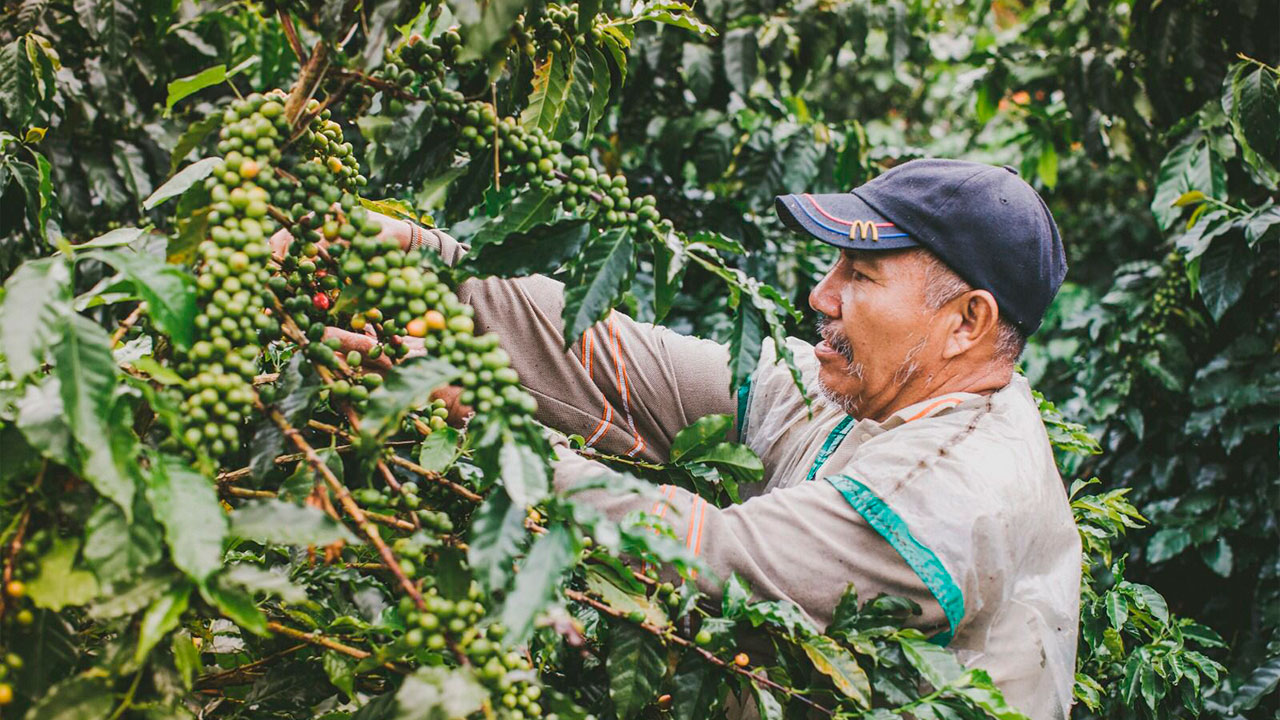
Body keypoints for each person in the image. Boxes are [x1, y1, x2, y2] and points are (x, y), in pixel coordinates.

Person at [280, 158, 1081, 719]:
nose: (821, 293)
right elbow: (614, 360)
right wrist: (423, 262)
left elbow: (718, 557)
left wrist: (481, 428)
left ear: (966, 321)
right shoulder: (865, 391)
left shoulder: (955, 493)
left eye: (861, 278)